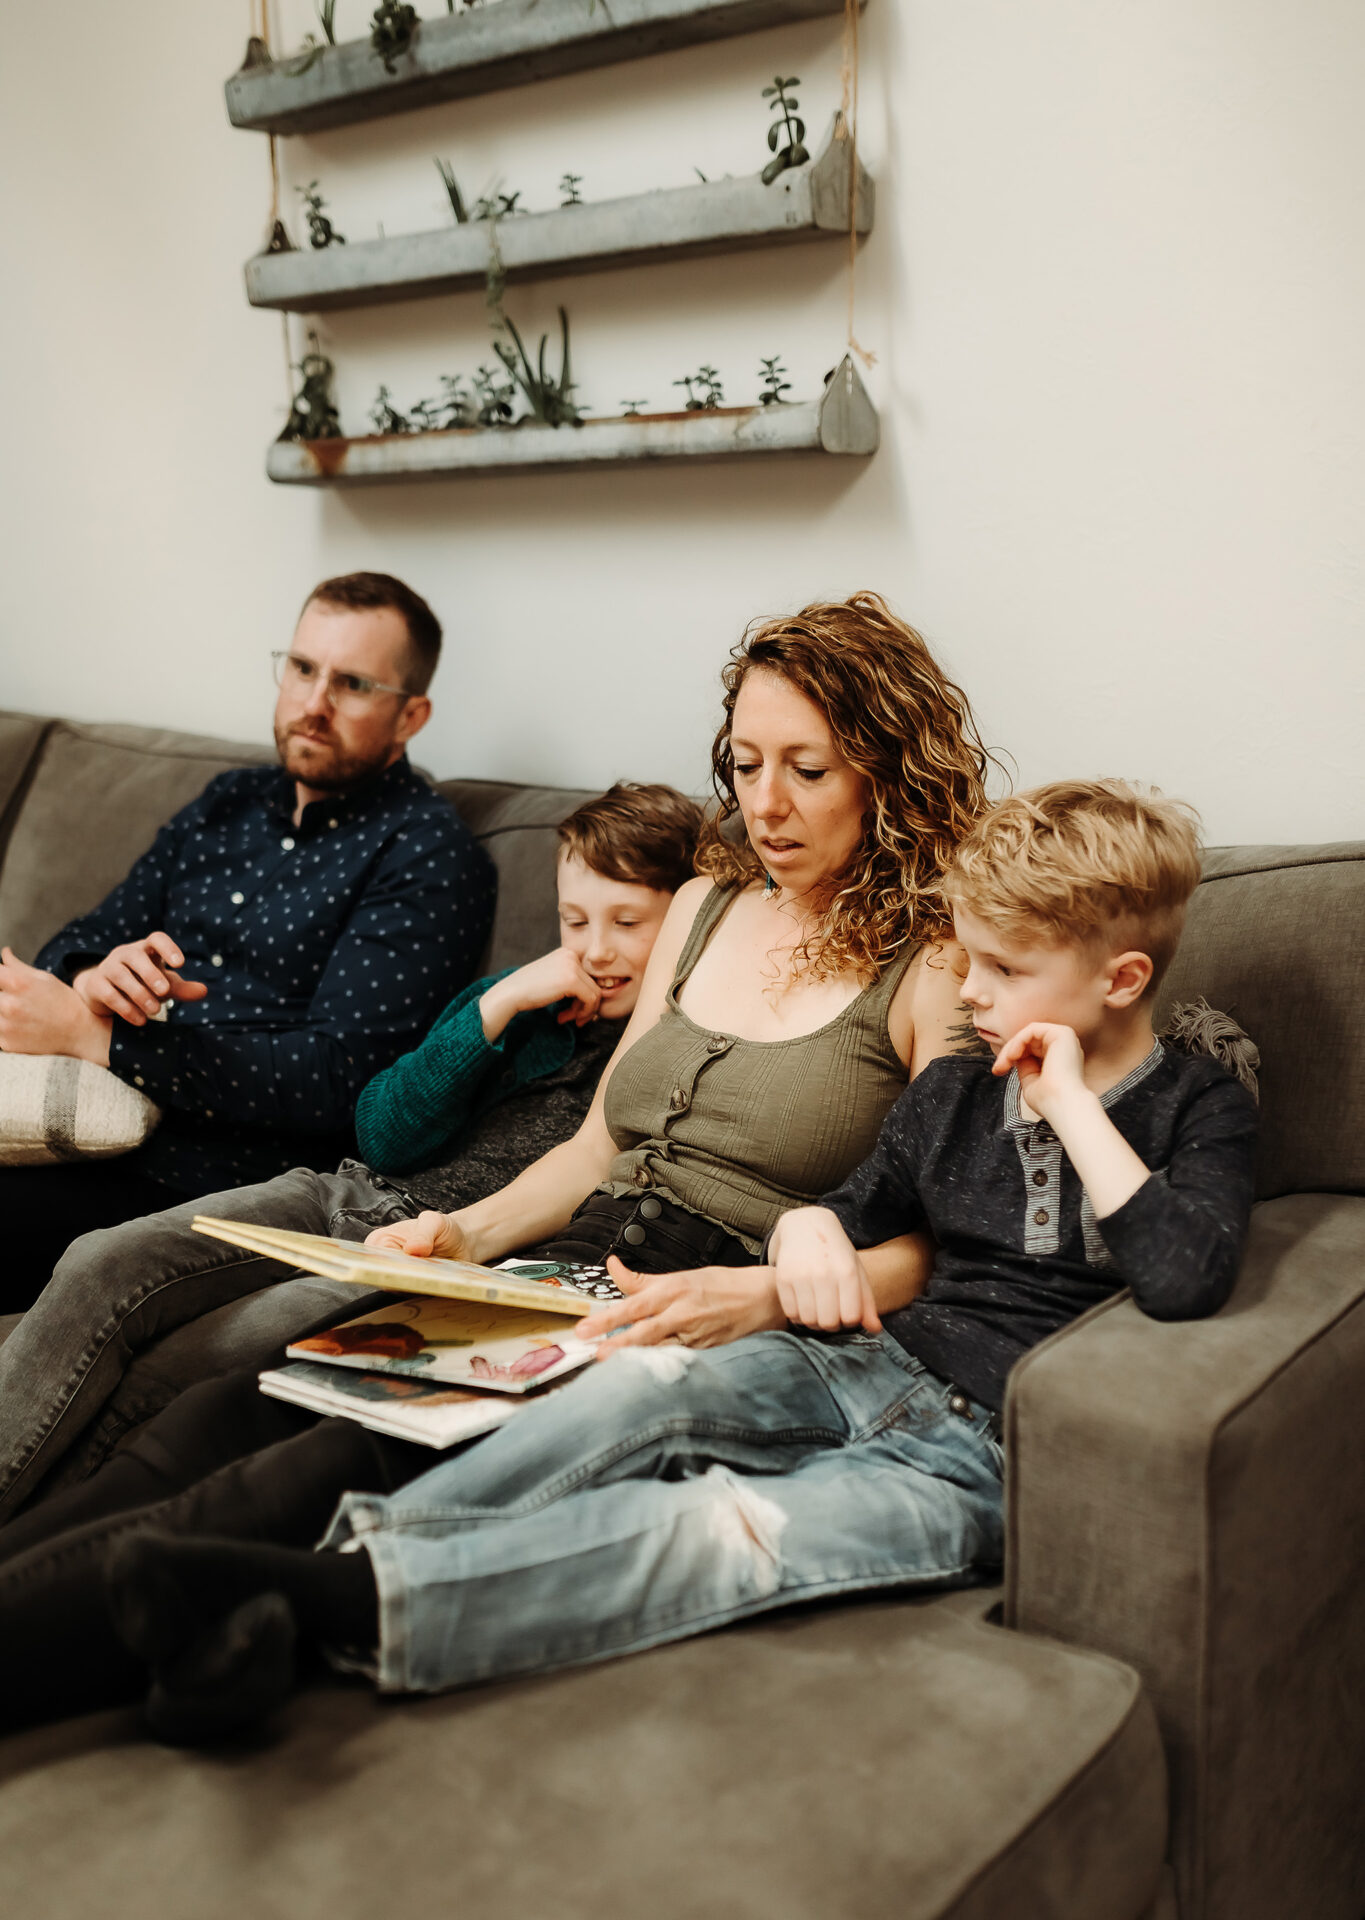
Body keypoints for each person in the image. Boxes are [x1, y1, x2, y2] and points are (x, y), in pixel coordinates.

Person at [9, 775, 1257, 1741]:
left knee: (716, 1530)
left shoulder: (1195, 1105)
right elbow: (856, 1196)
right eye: (971, 962)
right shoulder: (959, 1092)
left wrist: (1076, 1102)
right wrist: (812, 1228)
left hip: (975, 1446)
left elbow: (1183, 1270)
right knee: (621, 1404)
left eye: (1002, 970)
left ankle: (321, 1605)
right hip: (854, 1365)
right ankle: (277, 1585)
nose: (972, 993)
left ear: (1121, 978)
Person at [0, 590, 996, 1731]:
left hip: (684, 1308)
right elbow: (597, 1144)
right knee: (224, 1415)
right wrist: (463, 1237)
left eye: (808, 770)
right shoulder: (711, 903)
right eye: (746, 760)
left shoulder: (938, 966)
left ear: (888, 767)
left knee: (290, 1482)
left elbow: (944, 1241)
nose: (765, 802)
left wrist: (764, 1293)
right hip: (548, 1272)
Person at [0, 783, 703, 1520]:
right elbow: (384, 1131)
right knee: (98, 1260)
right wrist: (497, 1008)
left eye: (627, 922)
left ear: (688, 922)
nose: (594, 949)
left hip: (435, 1253)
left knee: (179, 1368)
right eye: (573, 920)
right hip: (346, 1190)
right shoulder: (524, 1003)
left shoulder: (667, 1052)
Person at [0, 571, 496, 1309]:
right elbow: (79, 938)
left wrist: (100, 1040)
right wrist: (94, 978)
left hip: (213, 1182)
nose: (312, 704)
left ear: (411, 715)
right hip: (92, 1126)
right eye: (301, 669)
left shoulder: (426, 854)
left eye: (352, 684)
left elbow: (342, 1081)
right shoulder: (225, 803)